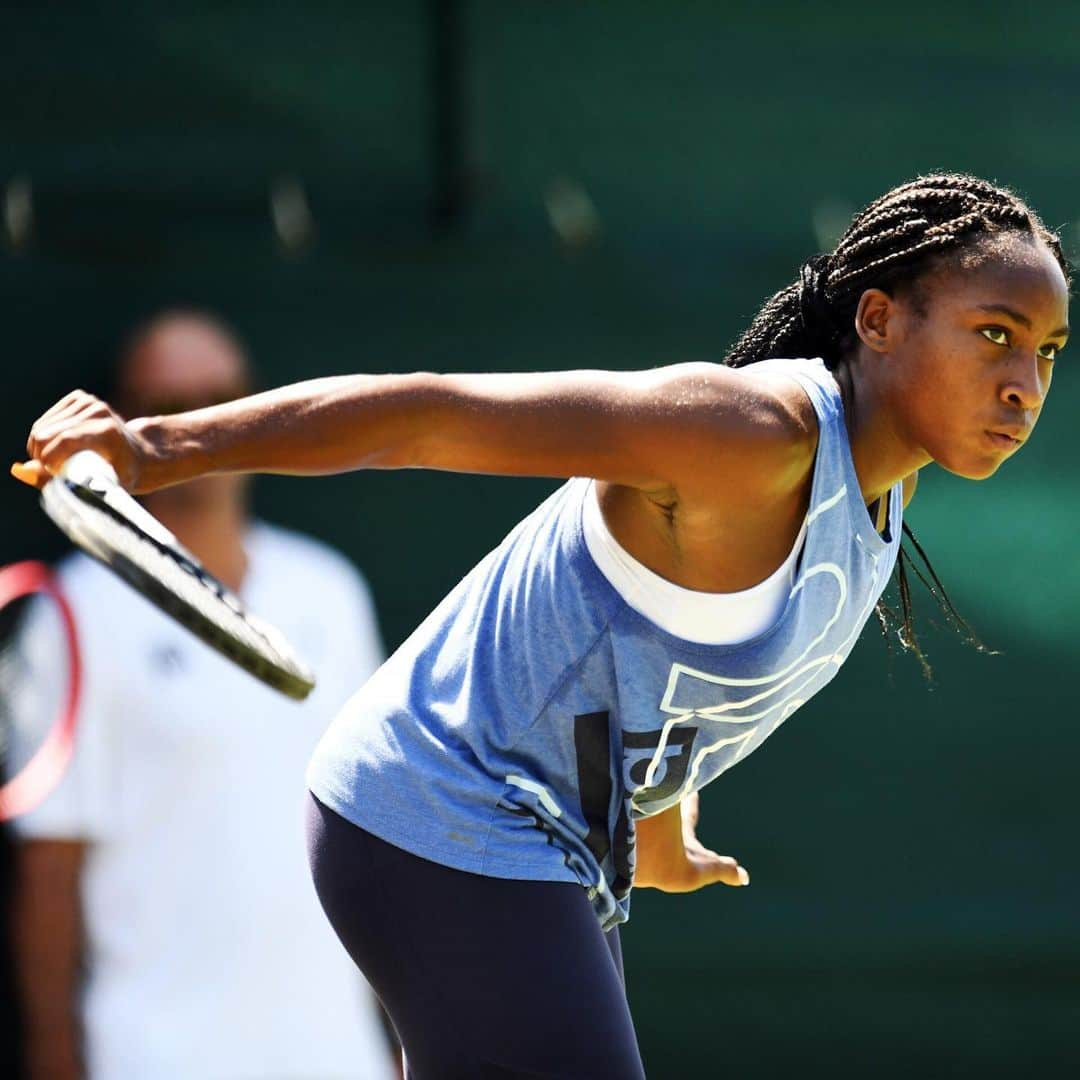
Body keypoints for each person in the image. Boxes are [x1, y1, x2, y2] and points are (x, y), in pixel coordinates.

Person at [15, 174, 1070, 1079]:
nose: (1024, 385)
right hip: (439, 814)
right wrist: (149, 447)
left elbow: (657, 654)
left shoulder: (880, 501)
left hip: (546, 853)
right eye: (994, 334)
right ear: (879, 321)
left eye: (1049, 351)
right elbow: (425, 414)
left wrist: (661, 830)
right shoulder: (747, 435)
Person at [8, 312, 400, 1080]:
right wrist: (55, 1058)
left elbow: (380, 827)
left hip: (336, 1055)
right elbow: (48, 869)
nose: (197, 423)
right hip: (152, 1057)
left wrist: (399, 1038)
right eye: (166, 404)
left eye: (220, 397)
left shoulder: (331, 589)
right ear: (123, 422)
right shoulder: (72, 613)